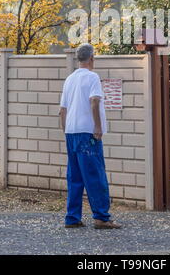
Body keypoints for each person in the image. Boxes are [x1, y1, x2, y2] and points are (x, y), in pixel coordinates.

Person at [59, 43, 121, 229]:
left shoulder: (69, 79)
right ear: (92, 58)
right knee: (95, 174)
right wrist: (98, 127)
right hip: (88, 133)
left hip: (71, 131)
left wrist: (66, 130)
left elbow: (62, 110)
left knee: (75, 176)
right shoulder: (93, 77)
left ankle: (72, 217)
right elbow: (94, 101)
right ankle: (101, 217)